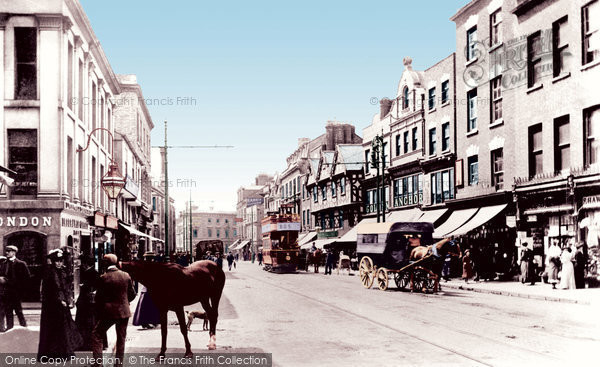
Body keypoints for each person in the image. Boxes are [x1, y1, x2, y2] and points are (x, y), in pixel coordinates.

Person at [91, 254, 136, 367]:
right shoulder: (126, 275)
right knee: (121, 338)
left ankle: (98, 363)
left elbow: (98, 298)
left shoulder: (104, 278)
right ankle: (118, 364)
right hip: (124, 311)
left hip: (109, 312)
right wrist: (125, 302)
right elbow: (132, 294)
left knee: (97, 334)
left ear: (105, 263)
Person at [38, 249, 82, 360]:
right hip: (52, 306)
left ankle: (63, 353)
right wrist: (60, 300)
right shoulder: (49, 272)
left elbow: (65, 288)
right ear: (53, 261)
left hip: (62, 305)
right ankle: (52, 354)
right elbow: (52, 290)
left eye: (60, 261)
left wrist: (68, 299)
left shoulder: (62, 271)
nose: (59, 263)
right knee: (53, 330)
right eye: (57, 261)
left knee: (64, 329)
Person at [75, 256, 105, 351]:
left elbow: (91, 286)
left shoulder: (89, 273)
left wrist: (84, 286)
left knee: (86, 323)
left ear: (85, 264)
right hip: (91, 302)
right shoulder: (94, 273)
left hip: (87, 302)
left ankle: (85, 343)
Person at [2, 245, 30, 330]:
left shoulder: (21, 264)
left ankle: (24, 327)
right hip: (6, 292)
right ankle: (9, 328)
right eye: (6, 251)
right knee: (8, 311)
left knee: (19, 311)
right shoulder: (4, 264)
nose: (7, 253)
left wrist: (21, 291)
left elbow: (26, 278)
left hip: (16, 292)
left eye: (9, 251)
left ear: (14, 252)